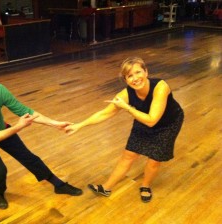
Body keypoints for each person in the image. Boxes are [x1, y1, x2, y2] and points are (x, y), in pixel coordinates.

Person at [0, 63, 83, 210]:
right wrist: (18, 127)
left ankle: (58, 185)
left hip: (0, 128)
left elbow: (25, 111)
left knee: (29, 158)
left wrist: (55, 124)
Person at [65, 57, 184, 203]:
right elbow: (105, 113)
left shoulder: (160, 87)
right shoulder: (126, 94)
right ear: (125, 79)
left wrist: (127, 108)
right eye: (130, 76)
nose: (135, 79)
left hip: (168, 123)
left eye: (138, 72)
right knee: (128, 154)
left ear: (146, 72)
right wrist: (79, 125)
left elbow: (152, 120)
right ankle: (106, 188)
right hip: (142, 118)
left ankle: (145, 186)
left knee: (154, 159)